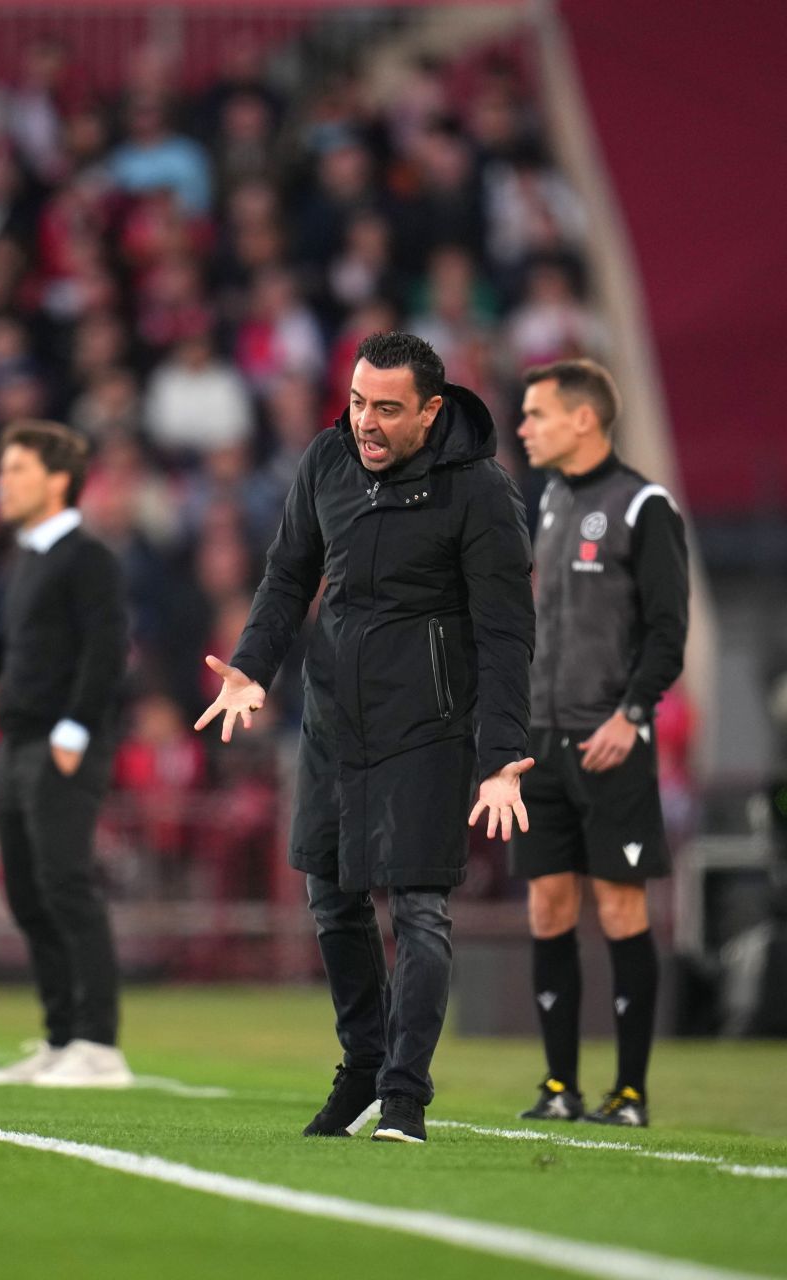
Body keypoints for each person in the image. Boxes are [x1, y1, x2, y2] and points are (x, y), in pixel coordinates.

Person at [196, 331, 535, 1145]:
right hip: (332, 718)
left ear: (432, 411)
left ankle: (405, 1097)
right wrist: (250, 668)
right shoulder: (326, 462)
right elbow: (287, 576)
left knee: (418, 907)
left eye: (387, 409)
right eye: (356, 403)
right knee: (331, 896)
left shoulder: (480, 493)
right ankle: (361, 1069)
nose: (366, 424)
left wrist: (500, 760)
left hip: (428, 726)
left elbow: (506, 634)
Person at [0, 421, 133, 1088]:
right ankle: (61, 1036)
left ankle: (100, 1048)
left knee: (67, 886)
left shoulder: (88, 558)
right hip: (17, 743)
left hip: (59, 743)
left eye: (15, 468)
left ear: (56, 480)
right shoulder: (30, 558)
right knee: (27, 895)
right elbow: (13, 641)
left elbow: (107, 650)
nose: (2, 480)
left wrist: (74, 730)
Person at [510, 358, 688, 1128]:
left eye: (536, 415)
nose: (523, 428)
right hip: (542, 744)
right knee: (548, 905)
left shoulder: (643, 505)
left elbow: (668, 631)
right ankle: (559, 1086)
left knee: (620, 909)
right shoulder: (548, 501)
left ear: (584, 419)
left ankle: (631, 1092)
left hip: (610, 742)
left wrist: (633, 713)